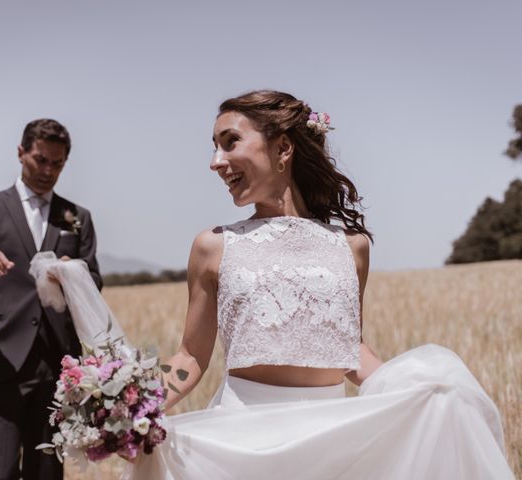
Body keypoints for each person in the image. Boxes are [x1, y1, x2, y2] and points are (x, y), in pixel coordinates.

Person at [126, 90, 515, 479]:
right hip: (239, 443)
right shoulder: (213, 246)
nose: (216, 162)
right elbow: (190, 357)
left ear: (283, 149)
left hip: (335, 444)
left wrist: (417, 391)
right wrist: (130, 406)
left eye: (230, 143)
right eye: (214, 147)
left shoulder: (352, 247)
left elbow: (350, 346)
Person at [0, 118, 102, 480]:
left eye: (57, 163)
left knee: (47, 473)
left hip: (58, 365)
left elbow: (95, 282)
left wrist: (75, 275)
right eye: (40, 160)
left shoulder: (78, 218)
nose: (48, 171)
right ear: (20, 153)